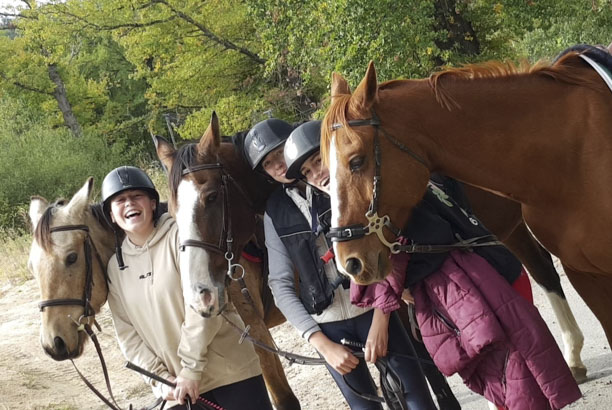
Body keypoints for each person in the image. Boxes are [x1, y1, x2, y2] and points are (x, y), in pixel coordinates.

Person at [286, 121, 582, 410]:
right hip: (452, 292)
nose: (315, 175)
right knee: (506, 385)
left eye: (317, 161)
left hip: (473, 285)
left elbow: (407, 245)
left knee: (516, 383)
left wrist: (383, 311)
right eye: (307, 172)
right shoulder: (356, 200)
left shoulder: (381, 189)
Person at [244, 119, 437, 410]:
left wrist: (381, 318)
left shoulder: (339, 181)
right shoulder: (274, 212)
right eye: (269, 164)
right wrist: (320, 342)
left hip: (374, 312)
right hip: (329, 328)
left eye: (279, 153)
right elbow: (279, 283)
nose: (278, 166)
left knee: (417, 401)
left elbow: (382, 243)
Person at [102, 166, 272, 410]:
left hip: (231, 375)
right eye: (120, 200)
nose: (129, 203)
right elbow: (127, 335)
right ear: (111, 214)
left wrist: (191, 369)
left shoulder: (184, 237)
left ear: (152, 204)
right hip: (177, 392)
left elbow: (208, 301)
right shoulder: (115, 268)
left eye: (136, 196)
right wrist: (160, 381)